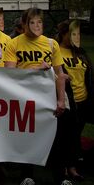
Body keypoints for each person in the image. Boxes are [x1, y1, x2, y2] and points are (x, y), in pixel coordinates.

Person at [3, 8, 67, 185]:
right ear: (24, 24)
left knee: (55, 137)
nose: (36, 26)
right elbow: (10, 73)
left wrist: (61, 99)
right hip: (26, 95)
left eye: (39, 22)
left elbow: (60, 74)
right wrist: (36, 68)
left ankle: (61, 177)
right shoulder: (14, 43)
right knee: (27, 135)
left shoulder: (51, 44)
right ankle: (27, 175)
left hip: (49, 95)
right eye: (32, 22)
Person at [56, 20, 91, 180]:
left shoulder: (81, 52)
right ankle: (62, 168)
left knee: (76, 136)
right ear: (63, 34)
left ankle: (72, 167)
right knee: (63, 136)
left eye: (77, 34)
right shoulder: (55, 50)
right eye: (72, 33)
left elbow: (88, 74)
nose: (76, 37)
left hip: (83, 101)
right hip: (67, 101)